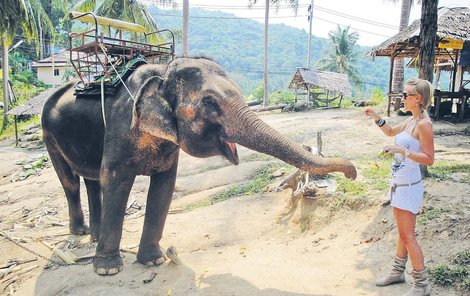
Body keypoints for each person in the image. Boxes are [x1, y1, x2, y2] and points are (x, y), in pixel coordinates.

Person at [364, 77, 434, 296]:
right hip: (399, 184)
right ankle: (397, 272)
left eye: (406, 95)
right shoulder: (411, 120)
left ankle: (421, 284)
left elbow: (429, 159)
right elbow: (391, 132)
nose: (403, 98)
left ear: (418, 98)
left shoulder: (424, 124)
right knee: (404, 234)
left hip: (409, 186)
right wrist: (377, 117)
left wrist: (404, 152)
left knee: (407, 235)